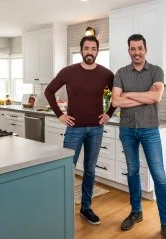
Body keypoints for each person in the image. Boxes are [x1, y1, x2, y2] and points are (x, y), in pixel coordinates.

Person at [111, 34, 166, 239]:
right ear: (128, 50)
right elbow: (115, 100)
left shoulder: (156, 71)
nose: (136, 52)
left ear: (145, 49)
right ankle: (136, 212)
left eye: (140, 48)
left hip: (150, 130)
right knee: (132, 171)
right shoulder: (121, 73)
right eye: (132, 49)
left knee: (159, 176)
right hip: (127, 130)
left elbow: (156, 98)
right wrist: (143, 95)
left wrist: (129, 94)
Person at [45, 35, 115, 225]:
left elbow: (116, 95)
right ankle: (63, 207)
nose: (90, 52)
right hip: (74, 129)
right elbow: (49, 91)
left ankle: (86, 208)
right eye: (86, 48)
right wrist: (60, 114)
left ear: (97, 51)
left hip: (96, 129)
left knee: (90, 170)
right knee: (68, 168)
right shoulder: (68, 72)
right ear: (81, 50)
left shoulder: (107, 74)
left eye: (93, 49)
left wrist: (109, 113)